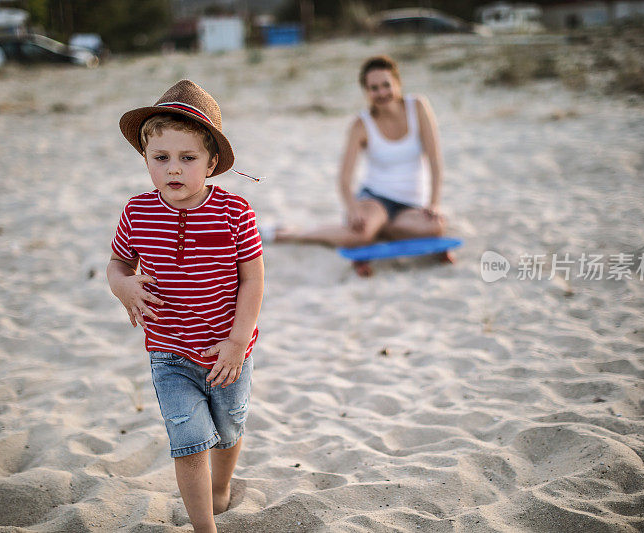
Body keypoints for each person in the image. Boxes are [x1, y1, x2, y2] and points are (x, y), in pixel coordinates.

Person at [107, 80, 263, 533]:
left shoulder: (235, 212)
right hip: (169, 350)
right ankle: (204, 527)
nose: (173, 169)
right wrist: (124, 287)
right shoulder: (137, 212)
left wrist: (237, 342)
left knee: (230, 427)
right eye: (161, 158)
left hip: (226, 350)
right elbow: (117, 264)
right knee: (189, 443)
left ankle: (222, 487)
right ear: (146, 159)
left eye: (187, 158)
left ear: (212, 162)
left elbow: (253, 280)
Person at [274, 55, 450, 274]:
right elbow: (344, 179)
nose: (382, 92)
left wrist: (434, 203)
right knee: (361, 232)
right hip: (376, 200)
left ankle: (377, 230)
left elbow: (435, 160)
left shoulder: (418, 107)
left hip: (411, 205)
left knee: (436, 227)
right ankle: (294, 234)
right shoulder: (361, 124)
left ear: (397, 83)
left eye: (386, 85)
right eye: (374, 88)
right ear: (367, 92)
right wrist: (353, 208)